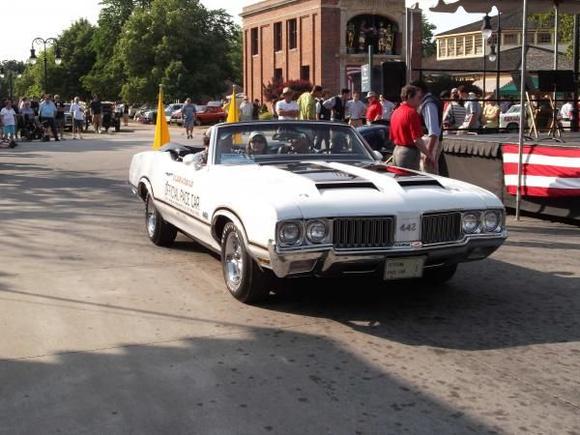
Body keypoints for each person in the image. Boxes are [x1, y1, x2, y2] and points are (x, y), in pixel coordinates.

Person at [389, 85, 433, 171]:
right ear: (410, 97)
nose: (420, 100)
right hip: (409, 153)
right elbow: (417, 140)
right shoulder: (412, 113)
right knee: (409, 181)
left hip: (396, 150)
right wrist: (429, 155)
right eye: (418, 97)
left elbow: (391, 136)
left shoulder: (395, 112)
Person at [411, 80, 443, 174]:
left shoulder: (429, 104)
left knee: (428, 173)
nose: (411, 95)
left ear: (419, 90)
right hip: (428, 142)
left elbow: (433, 132)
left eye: (413, 92)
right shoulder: (428, 102)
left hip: (429, 142)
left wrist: (428, 154)